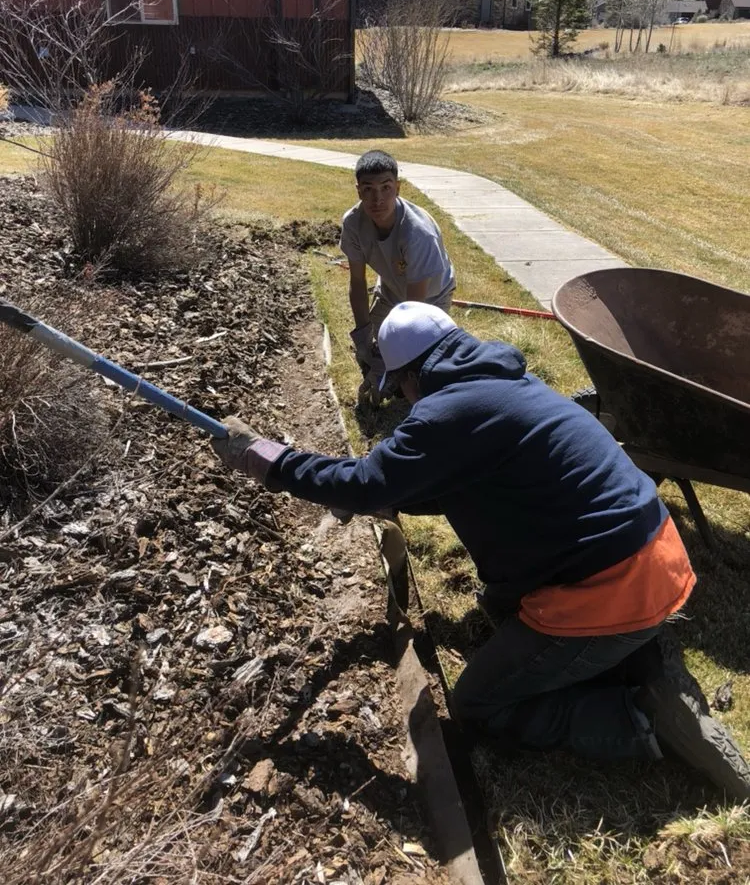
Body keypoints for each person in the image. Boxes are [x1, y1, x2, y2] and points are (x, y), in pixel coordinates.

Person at [211, 302, 750, 799]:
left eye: (398, 389)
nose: (402, 401)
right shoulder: (504, 384)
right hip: (657, 555)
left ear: (410, 376)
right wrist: (384, 492)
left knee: (479, 704)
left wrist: (267, 458)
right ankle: (640, 659)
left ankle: (639, 718)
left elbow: (364, 483)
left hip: (610, 588)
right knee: (499, 608)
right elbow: (452, 486)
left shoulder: (446, 412)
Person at [341, 150, 455, 404]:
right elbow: (358, 283)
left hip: (430, 296)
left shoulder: (418, 234)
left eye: (386, 187)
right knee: (372, 353)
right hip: (391, 290)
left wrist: (393, 364)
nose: (377, 199)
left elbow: (415, 314)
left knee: (420, 367)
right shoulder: (353, 223)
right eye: (368, 189)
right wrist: (363, 335)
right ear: (358, 191)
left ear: (398, 188)